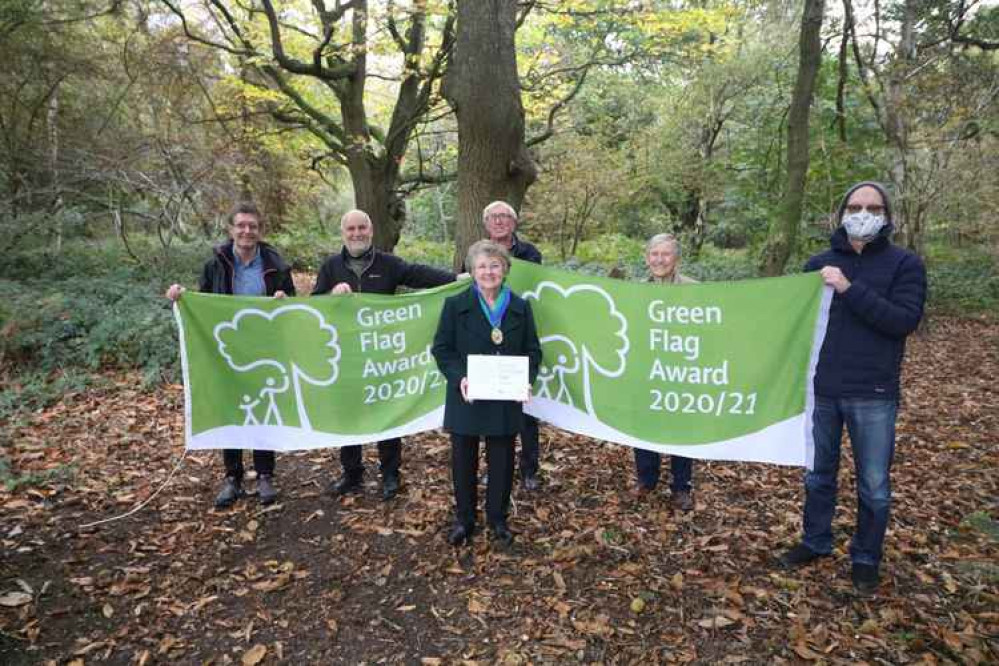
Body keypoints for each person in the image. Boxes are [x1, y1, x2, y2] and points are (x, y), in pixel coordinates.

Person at [778, 181, 927, 595]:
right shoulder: (818, 263)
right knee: (817, 475)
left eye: (873, 207)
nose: (863, 213)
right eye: (856, 206)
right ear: (842, 212)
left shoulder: (905, 265)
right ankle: (815, 541)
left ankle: (865, 558)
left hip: (873, 392)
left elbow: (902, 321)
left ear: (886, 215)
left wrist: (848, 287)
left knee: (874, 484)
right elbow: (793, 324)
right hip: (821, 390)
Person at [315, 209, 457, 501]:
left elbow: (419, 274)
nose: (357, 233)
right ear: (343, 233)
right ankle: (352, 473)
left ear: (371, 230)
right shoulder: (330, 266)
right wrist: (330, 295)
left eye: (362, 228)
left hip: (382, 353)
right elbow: (313, 306)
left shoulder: (388, 264)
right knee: (350, 413)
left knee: (386, 411)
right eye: (351, 229)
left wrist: (459, 279)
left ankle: (391, 473)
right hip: (346, 356)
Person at [165, 201, 295, 508]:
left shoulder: (275, 264)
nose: (247, 231)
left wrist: (283, 298)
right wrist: (180, 298)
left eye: (252, 226)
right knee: (232, 410)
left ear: (260, 230)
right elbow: (202, 302)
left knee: (263, 409)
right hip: (225, 350)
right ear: (231, 229)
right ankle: (232, 478)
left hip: (264, 348)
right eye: (241, 225)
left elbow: (292, 303)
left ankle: (264, 475)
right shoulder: (216, 264)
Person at [432, 240, 542, 547]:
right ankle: (464, 520)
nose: (488, 272)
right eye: (482, 266)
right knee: (463, 462)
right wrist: (459, 378)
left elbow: (533, 351)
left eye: (495, 265)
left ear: (505, 269)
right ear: (472, 271)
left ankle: (497, 520)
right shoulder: (454, 305)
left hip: (505, 399)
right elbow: (442, 349)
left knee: (502, 462)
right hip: (467, 396)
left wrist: (527, 380)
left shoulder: (520, 306)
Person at [465, 201, 545, 491]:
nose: (499, 221)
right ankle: (494, 468)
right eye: (493, 217)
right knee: (490, 409)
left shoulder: (530, 254)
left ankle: (529, 469)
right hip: (484, 340)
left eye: (505, 217)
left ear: (514, 222)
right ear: (486, 223)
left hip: (517, 331)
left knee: (525, 410)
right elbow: (464, 286)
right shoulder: (475, 252)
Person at [633, 233, 697, 512]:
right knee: (643, 425)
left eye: (665, 254)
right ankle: (647, 480)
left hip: (680, 371)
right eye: (654, 254)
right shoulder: (633, 291)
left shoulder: (695, 290)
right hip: (645, 369)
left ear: (676, 259)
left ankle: (682, 486)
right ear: (647, 258)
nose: (659, 260)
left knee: (681, 429)